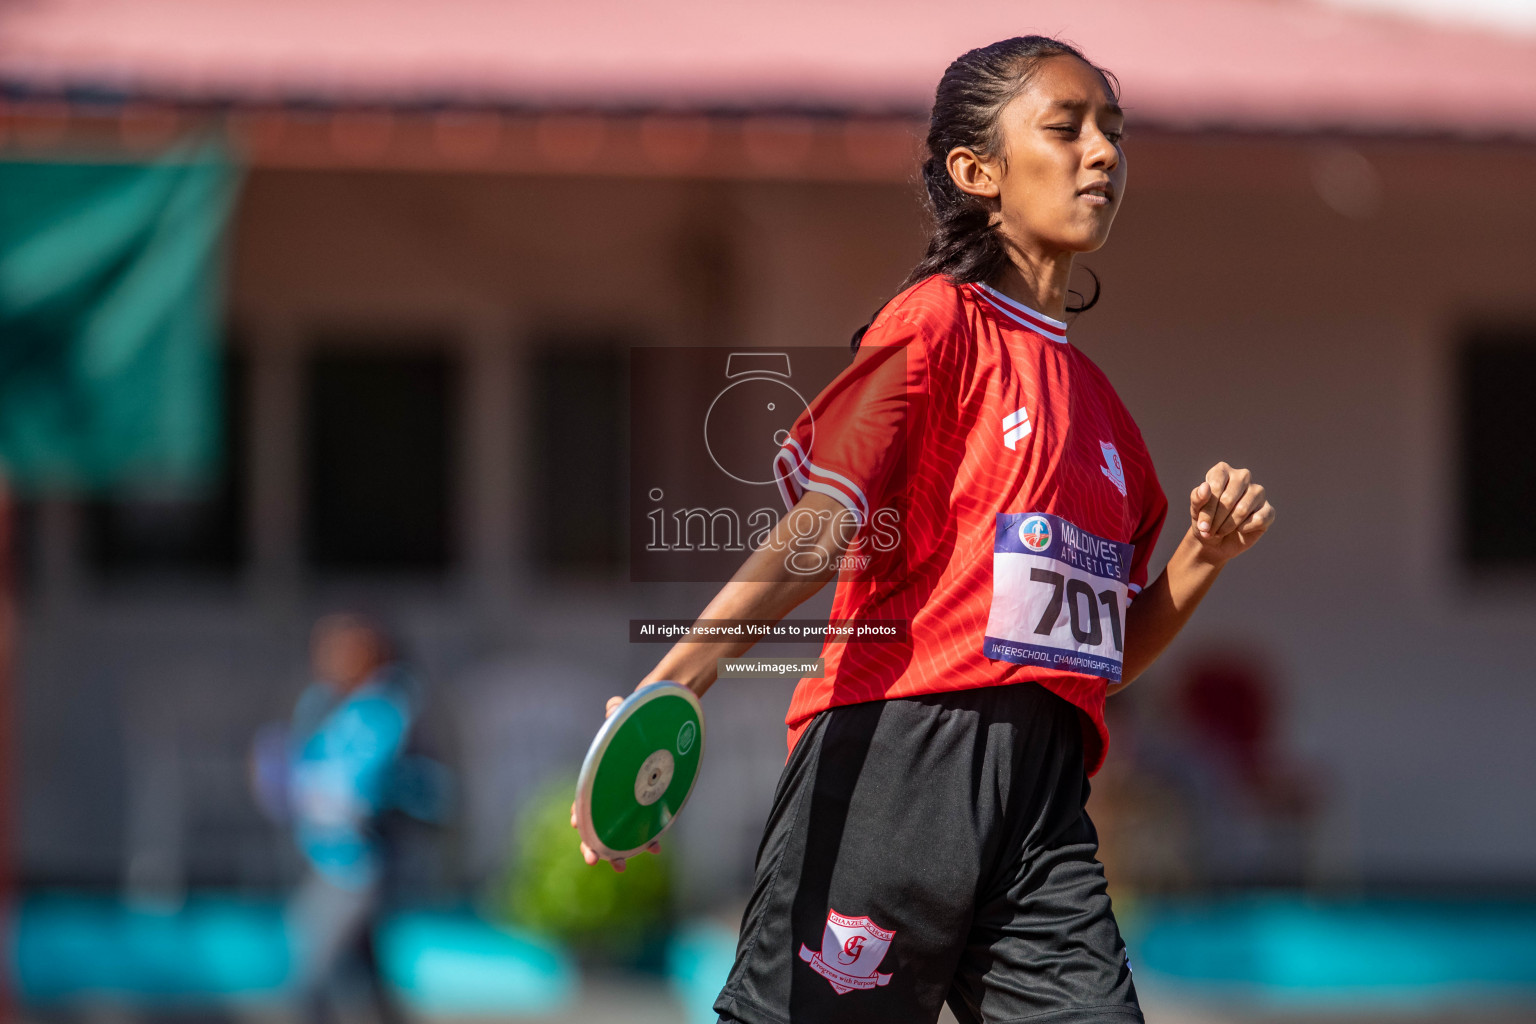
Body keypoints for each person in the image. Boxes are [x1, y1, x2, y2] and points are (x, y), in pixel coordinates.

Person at [577, 35, 1275, 1024]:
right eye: (1067, 128)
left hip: (1045, 801)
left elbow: (1099, 658)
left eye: (1113, 134)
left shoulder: (1109, 421)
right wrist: (683, 670)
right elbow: (824, 522)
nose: (1104, 155)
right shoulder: (933, 323)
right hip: (894, 763)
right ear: (976, 171)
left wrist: (1202, 558)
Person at [283, 613, 418, 1024]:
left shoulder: (382, 711)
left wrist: (318, 792)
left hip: (357, 866)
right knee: (367, 978)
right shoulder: (327, 707)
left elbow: (358, 784)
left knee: (312, 978)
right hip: (327, 860)